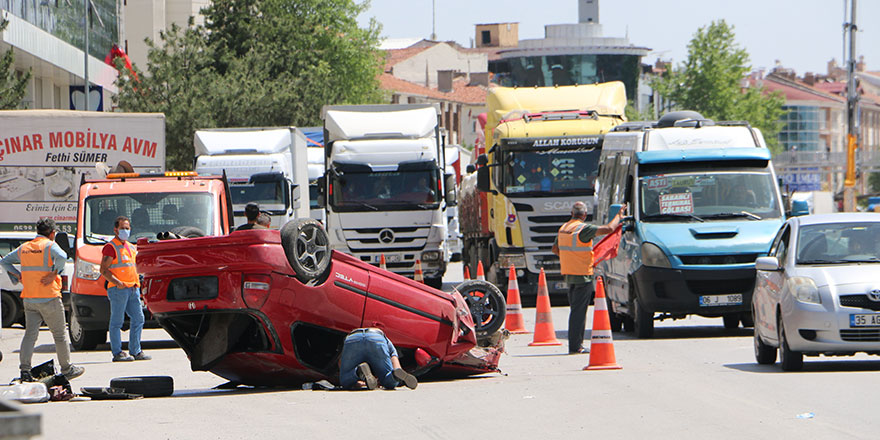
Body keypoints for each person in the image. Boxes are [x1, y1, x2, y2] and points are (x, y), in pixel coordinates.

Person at [0, 219, 84, 381]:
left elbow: (4, 261)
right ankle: (67, 369)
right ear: (52, 233)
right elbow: (62, 256)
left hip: (30, 298)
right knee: (59, 335)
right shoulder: (50, 246)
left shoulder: (25, 248)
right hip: (49, 297)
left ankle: (25, 370)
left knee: (30, 335)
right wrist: (54, 273)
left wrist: (17, 276)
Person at [552, 201, 627, 354]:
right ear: (584, 215)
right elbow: (609, 229)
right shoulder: (583, 229)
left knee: (576, 310)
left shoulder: (564, 228)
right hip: (583, 276)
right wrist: (619, 216)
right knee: (579, 313)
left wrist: (571, 258)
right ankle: (575, 346)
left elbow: (555, 249)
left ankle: (576, 344)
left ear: (572, 214)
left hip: (570, 275)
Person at [100, 216, 150, 362]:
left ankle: (136, 350)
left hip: (132, 288)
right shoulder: (111, 247)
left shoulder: (130, 246)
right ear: (115, 230)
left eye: (127, 228)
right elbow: (103, 269)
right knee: (117, 321)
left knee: (139, 318)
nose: (125, 231)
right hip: (118, 289)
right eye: (122, 228)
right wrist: (117, 282)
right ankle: (117, 352)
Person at [338, 327, 417, 390]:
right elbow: (393, 355)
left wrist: (353, 380)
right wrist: (397, 369)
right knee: (388, 381)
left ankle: (358, 372)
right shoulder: (386, 339)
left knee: (345, 381)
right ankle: (394, 376)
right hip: (376, 336)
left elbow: (340, 362)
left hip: (352, 337)